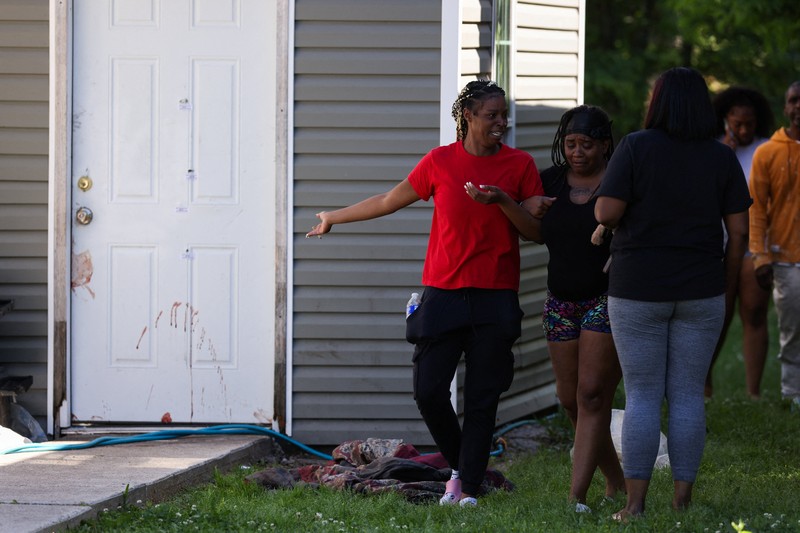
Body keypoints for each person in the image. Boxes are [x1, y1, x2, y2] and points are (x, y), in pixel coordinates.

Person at [306, 79, 545, 506]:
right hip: (444, 294)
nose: (501, 122)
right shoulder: (440, 162)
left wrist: (502, 201)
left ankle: (468, 489)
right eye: (492, 115)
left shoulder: (520, 164)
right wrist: (333, 217)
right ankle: (463, 466)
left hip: (495, 296)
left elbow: (536, 232)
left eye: (503, 114)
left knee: (482, 399)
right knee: (429, 391)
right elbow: (388, 200)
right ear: (468, 116)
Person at [594, 67, 751, 520]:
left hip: (639, 288)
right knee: (686, 395)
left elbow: (606, 211)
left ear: (658, 102)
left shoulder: (636, 146)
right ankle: (682, 501)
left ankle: (635, 505)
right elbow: (739, 232)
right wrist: (725, 280)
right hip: (701, 288)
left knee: (642, 395)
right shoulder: (721, 157)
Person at [530, 105, 624, 512]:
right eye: (570, 144)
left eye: (586, 144)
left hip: (606, 299)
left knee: (592, 394)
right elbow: (533, 229)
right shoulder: (548, 181)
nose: (577, 152)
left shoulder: (620, 179)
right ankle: (616, 480)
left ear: (604, 144)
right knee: (570, 399)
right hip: (559, 302)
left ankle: (576, 498)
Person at [706, 86, 775, 398]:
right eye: (737, 124)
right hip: (718, 244)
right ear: (725, 120)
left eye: (749, 123)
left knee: (755, 311)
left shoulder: (766, 148)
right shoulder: (713, 149)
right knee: (717, 315)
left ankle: (753, 393)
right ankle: (704, 383)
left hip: (755, 244)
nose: (744, 130)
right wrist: (724, 152)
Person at [749, 80, 800, 412]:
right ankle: (792, 394)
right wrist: (760, 256)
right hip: (785, 258)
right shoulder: (768, 152)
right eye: (794, 100)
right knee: (793, 329)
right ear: (786, 107)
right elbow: (756, 209)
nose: (799, 106)